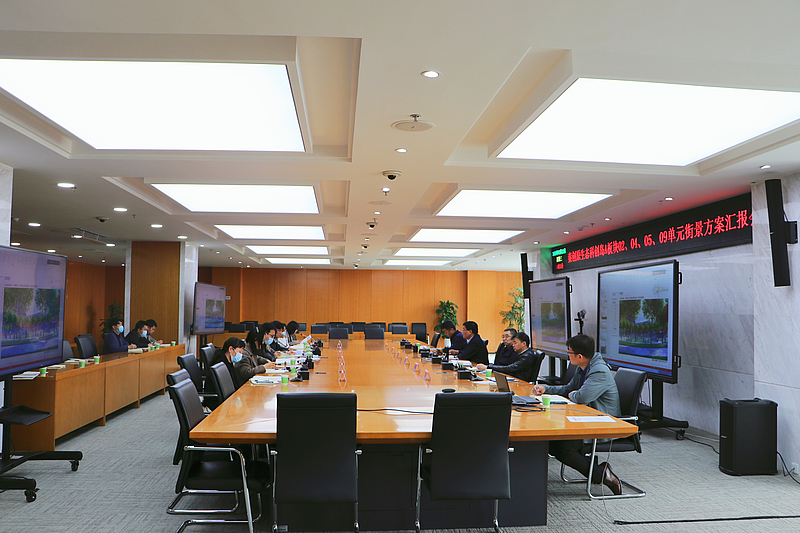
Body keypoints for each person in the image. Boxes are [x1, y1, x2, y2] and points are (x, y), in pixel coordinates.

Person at [533, 334, 623, 495]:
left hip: (603, 422)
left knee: (565, 449)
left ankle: (603, 475)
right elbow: (569, 389)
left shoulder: (599, 371)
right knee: (551, 443)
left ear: (579, 356)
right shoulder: (583, 367)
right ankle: (599, 470)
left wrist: (573, 394)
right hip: (585, 418)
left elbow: (581, 397)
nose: (568, 355)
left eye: (569, 352)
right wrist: (546, 389)